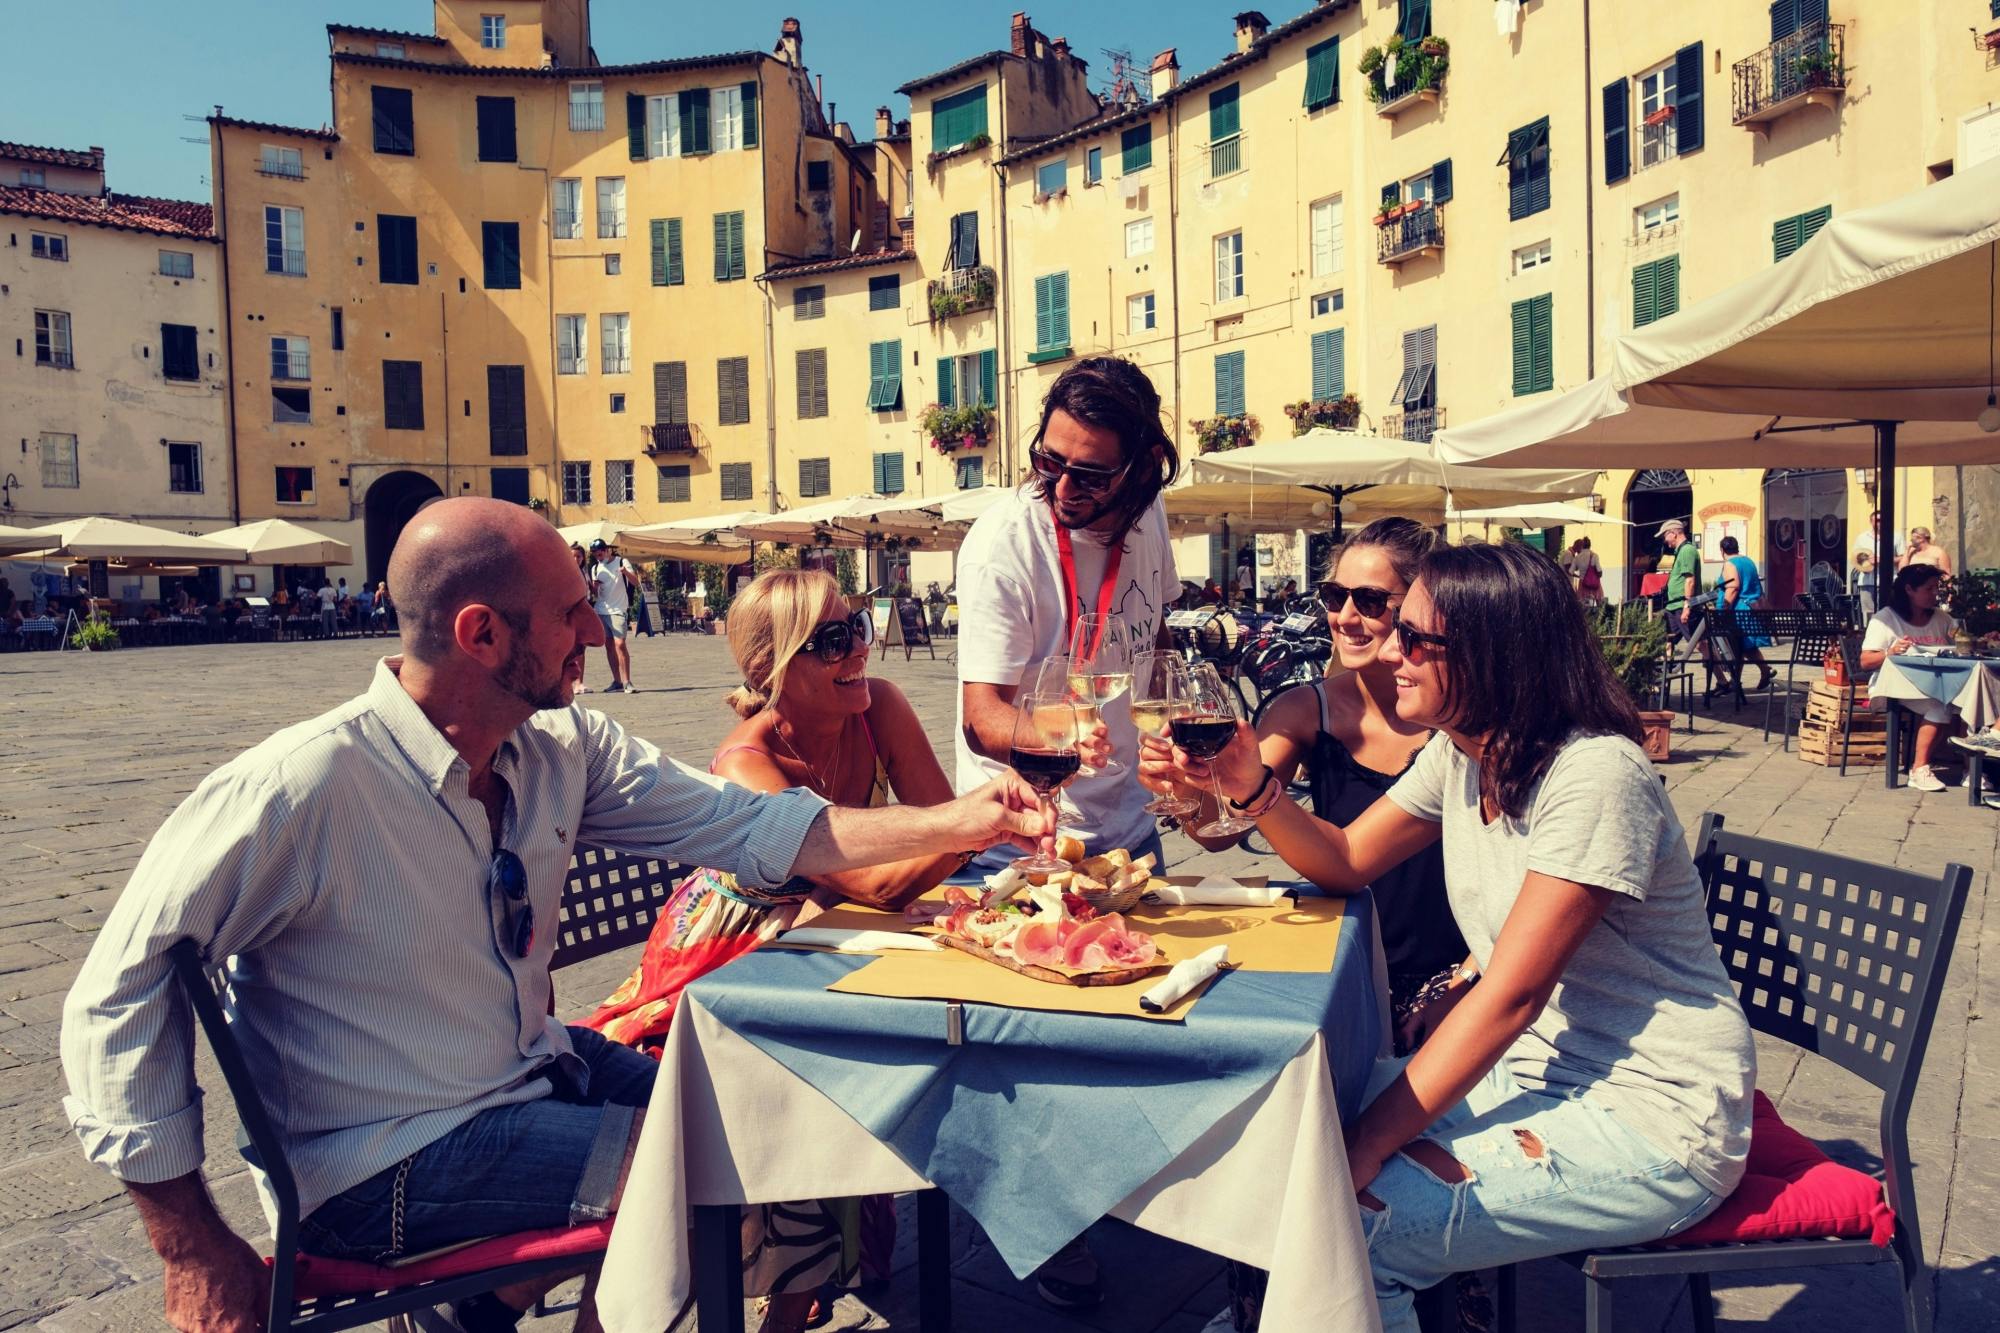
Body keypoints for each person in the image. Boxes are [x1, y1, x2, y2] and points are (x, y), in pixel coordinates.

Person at [58, 497, 1053, 1333]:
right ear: (481, 633)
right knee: (716, 1178)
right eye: (572, 611)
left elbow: (757, 829)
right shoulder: (304, 785)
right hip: (385, 1159)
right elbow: (114, 991)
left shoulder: (560, 750)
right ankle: (521, 1290)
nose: (595, 631)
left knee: (795, 1125)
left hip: (535, 1074)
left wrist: (961, 815)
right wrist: (189, 1245)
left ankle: (502, 1298)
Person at [1165, 540, 1753, 1333]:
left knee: (1352, 1229)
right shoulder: (1463, 752)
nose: (1390, 651)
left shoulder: (1596, 775)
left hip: (1657, 1113)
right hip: (1537, 1073)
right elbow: (1344, 861)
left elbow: (1509, 995)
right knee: (1284, 1125)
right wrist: (1255, 788)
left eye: (1414, 639)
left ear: (1493, 652)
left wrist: (1370, 1143)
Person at [586, 568, 969, 1329]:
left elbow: (936, 823)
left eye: (856, 624)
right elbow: (882, 877)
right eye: (831, 639)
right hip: (725, 954)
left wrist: (967, 828)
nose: (858, 647)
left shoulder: (878, 705)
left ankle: (788, 1310)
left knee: (853, 1056)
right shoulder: (744, 760)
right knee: (799, 1081)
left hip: (827, 931)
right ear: (770, 670)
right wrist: (980, 826)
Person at [1141, 518, 1479, 1333]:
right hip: (1355, 960)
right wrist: (1191, 796)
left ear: (1421, 609)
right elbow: (1232, 819)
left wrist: (1469, 971)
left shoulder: (1455, 717)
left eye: (1372, 599)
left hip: (1457, 971)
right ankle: (1278, 1287)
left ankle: (1419, 1275)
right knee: (1265, 1093)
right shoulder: (1308, 707)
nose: (1347, 616)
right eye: (1335, 596)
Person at [952, 355, 1182, 1312]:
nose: (1064, 486)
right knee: (1032, 1061)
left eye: (1090, 473)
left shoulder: (1151, 520)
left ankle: (1111, 1194)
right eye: (1049, 462)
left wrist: (1171, 742)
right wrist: (1057, 734)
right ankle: (1038, 1229)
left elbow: (1151, 645)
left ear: (1139, 468)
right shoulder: (1004, 540)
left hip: (1128, 830)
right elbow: (982, 716)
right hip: (1022, 833)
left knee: (1135, 1034)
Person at [1861, 565, 1963, 792]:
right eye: (1929, 588)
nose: (1935, 593)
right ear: (1909, 589)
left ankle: (1972, 770)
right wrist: (1891, 652)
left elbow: (1957, 646)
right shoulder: (1886, 619)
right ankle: (1919, 769)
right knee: (1941, 703)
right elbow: (1866, 661)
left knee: (1971, 699)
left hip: (1936, 682)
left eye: (1936, 587)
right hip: (1895, 684)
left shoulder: (1942, 619)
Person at [1713, 535, 1772, 691]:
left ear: (1722, 550)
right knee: (1741, 647)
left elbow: (1733, 588)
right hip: (1751, 609)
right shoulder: (1748, 561)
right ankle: (1736, 680)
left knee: (1742, 646)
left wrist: (1723, 610)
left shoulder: (1730, 564)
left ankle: (1764, 671)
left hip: (1740, 612)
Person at [588, 539, 639, 693]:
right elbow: (597, 594)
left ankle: (627, 682)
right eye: (596, 555)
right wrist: (594, 587)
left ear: (607, 550)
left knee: (620, 644)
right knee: (609, 646)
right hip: (602, 610)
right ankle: (617, 681)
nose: (599, 556)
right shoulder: (596, 568)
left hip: (618, 609)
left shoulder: (622, 561)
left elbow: (636, 582)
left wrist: (625, 572)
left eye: (601, 553)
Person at [1658, 520, 1700, 642]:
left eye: (1665, 536)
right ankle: (1669, 661)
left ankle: (1716, 661)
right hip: (1673, 606)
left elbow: (1690, 580)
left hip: (1682, 606)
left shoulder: (1687, 550)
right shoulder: (1681, 551)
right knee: (1668, 640)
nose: (1664, 540)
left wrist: (1687, 607)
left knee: (1697, 643)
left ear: (1673, 533)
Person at [1563, 537, 1604, 607]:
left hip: (1583, 584)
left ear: (1582, 546)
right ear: (1590, 545)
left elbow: (1570, 571)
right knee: (1598, 604)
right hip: (1594, 583)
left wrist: (1579, 573)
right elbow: (1599, 572)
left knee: (1583, 606)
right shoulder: (1594, 556)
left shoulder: (1577, 557)